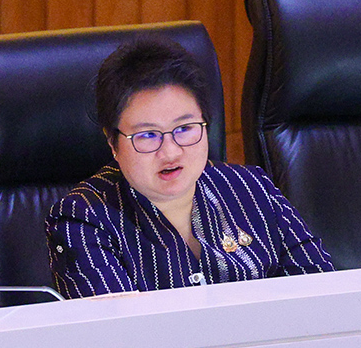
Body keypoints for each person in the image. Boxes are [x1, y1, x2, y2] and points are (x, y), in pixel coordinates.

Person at [45, 39, 334, 299]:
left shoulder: (252, 188)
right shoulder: (83, 220)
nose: (170, 152)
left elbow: (324, 296)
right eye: (147, 135)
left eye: (184, 129)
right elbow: (120, 341)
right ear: (112, 142)